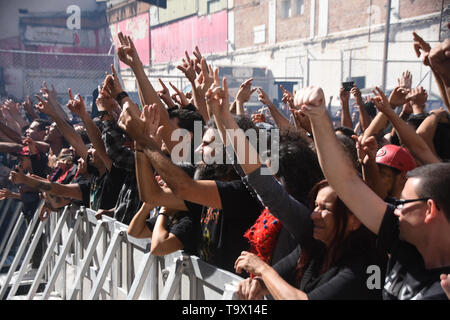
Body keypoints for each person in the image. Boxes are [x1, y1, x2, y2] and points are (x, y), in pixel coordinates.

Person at [202, 78, 385, 300]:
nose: (315, 213)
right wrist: (223, 118)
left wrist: (263, 270)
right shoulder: (314, 242)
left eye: (325, 208)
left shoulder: (364, 266)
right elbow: (254, 176)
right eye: (315, 205)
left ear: (355, 219)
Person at [295, 84, 450, 299]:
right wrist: (318, 117)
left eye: (403, 203)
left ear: (429, 209)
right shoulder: (402, 238)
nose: (395, 209)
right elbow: (345, 182)